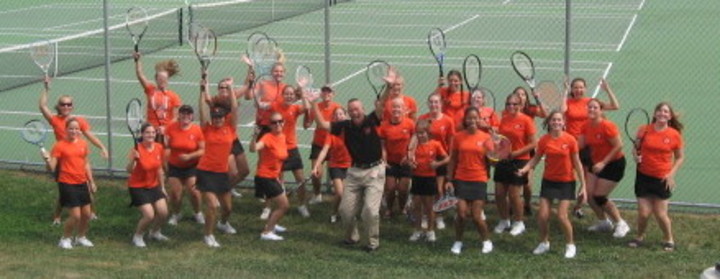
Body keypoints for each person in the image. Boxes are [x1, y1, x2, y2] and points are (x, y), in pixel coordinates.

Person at [313, 96, 386, 252]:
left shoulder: (372, 120)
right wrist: (313, 103)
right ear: (348, 112)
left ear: (363, 110)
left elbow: (381, 106)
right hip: (354, 171)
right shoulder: (344, 126)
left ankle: (373, 243)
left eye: (357, 109)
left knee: (370, 211)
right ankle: (352, 237)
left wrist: (388, 86)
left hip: (374, 171)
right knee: (345, 210)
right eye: (351, 109)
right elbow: (321, 124)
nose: (354, 112)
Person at [517, 111, 587, 259]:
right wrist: (524, 169)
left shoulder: (570, 140)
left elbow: (577, 163)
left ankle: (570, 245)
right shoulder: (544, 140)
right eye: (553, 120)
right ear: (549, 123)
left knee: (562, 216)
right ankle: (544, 243)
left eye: (559, 120)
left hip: (566, 182)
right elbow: (535, 159)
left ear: (563, 123)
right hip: (548, 181)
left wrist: (584, 185)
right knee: (542, 216)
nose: (556, 122)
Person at [39, 77, 107, 224]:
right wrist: (46, 88)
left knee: (87, 187)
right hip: (62, 160)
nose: (66, 107)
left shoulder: (79, 122)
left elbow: (90, 136)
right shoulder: (55, 120)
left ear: (72, 106)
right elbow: (42, 106)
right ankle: (57, 216)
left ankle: (91, 212)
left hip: (77, 158)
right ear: (59, 106)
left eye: (69, 104)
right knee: (63, 193)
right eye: (63, 104)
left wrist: (102, 147)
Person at [627, 102, 684, 252]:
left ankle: (669, 238)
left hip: (662, 178)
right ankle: (639, 236)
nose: (662, 114)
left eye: (666, 112)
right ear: (654, 114)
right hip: (643, 176)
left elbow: (679, 157)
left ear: (670, 116)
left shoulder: (674, 135)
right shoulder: (644, 130)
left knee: (660, 214)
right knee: (644, 213)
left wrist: (671, 174)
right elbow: (635, 148)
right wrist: (635, 157)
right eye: (659, 111)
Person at [560, 78, 619, 220]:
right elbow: (562, 111)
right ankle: (565, 206)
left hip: (587, 148)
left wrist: (607, 89)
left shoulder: (590, 103)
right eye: (575, 87)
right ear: (572, 89)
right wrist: (565, 92)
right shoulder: (568, 102)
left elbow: (615, 106)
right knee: (567, 176)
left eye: (581, 87)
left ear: (585, 88)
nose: (578, 90)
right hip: (571, 145)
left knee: (585, 181)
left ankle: (578, 207)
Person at [195, 73, 239, 248]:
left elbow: (235, 108)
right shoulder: (206, 129)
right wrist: (201, 91)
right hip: (206, 172)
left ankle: (222, 223)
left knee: (227, 208)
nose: (218, 119)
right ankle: (208, 235)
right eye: (215, 117)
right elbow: (201, 111)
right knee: (213, 205)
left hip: (222, 173)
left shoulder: (230, 128)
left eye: (220, 117)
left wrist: (231, 88)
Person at [41, 118, 97, 249]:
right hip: (67, 183)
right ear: (66, 130)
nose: (74, 131)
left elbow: (86, 163)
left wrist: (91, 181)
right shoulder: (59, 145)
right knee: (76, 216)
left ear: (80, 130)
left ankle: (81, 237)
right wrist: (47, 160)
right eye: (71, 128)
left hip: (82, 182)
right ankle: (65, 239)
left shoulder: (83, 144)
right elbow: (52, 168)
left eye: (76, 128)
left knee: (87, 214)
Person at [578, 99, 630, 237]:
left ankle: (620, 223)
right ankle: (604, 222)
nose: (592, 110)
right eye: (589, 107)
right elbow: (580, 146)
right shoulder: (585, 126)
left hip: (613, 164)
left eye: (595, 107)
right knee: (589, 196)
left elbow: (618, 145)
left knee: (599, 196)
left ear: (601, 110)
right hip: (595, 164)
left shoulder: (608, 126)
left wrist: (603, 163)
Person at [446, 107, 493, 255]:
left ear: (479, 120)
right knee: (461, 214)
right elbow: (452, 159)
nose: (472, 121)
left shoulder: (486, 138)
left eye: (475, 118)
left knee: (476, 215)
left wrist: (497, 153)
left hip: (479, 179)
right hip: (461, 179)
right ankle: (458, 241)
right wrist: (449, 179)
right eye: (469, 118)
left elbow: (492, 161)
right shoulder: (458, 137)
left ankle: (486, 241)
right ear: (465, 120)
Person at [493, 93, 537, 237]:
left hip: (520, 160)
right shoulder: (504, 119)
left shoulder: (526, 120)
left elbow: (533, 143)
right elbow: (501, 140)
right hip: (504, 160)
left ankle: (519, 222)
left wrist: (516, 153)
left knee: (514, 195)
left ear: (521, 105)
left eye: (514, 104)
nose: (511, 106)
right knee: (499, 193)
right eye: (508, 104)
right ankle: (504, 220)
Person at [126, 124, 170, 248]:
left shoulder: (159, 147)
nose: (151, 135)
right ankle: (138, 236)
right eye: (147, 133)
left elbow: (159, 169)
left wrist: (162, 188)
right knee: (149, 215)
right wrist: (133, 160)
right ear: (142, 134)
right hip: (137, 186)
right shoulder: (136, 149)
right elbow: (129, 170)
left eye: (153, 133)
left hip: (154, 185)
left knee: (163, 212)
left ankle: (155, 232)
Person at [271, 86, 311, 217]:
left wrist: (303, 95)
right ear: (282, 95)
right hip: (278, 148)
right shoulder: (275, 106)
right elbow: (262, 105)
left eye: (291, 94)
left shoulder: (295, 108)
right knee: (279, 180)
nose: (289, 96)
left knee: (301, 179)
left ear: (294, 96)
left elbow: (306, 108)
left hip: (292, 148)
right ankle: (281, 205)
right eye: (286, 94)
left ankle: (302, 205)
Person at [416, 93, 455, 229]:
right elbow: (416, 139)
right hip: (425, 159)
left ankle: (438, 216)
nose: (434, 105)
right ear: (428, 104)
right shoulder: (422, 118)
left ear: (441, 104)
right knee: (424, 192)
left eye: (436, 102)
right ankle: (426, 216)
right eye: (431, 102)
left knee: (438, 190)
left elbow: (451, 142)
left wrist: (448, 160)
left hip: (440, 159)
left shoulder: (448, 121)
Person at [250, 112, 290, 241]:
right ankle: (267, 232)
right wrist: (254, 137)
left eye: (280, 121)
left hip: (274, 176)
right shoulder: (267, 137)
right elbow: (254, 148)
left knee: (279, 204)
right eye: (274, 122)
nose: (278, 124)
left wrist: (278, 176)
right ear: (270, 125)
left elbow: (279, 159)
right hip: (265, 176)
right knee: (284, 205)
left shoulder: (283, 137)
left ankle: (272, 224)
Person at [408, 120, 448, 242]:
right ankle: (418, 230)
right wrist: (411, 163)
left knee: (429, 207)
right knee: (417, 206)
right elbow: (407, 159)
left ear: (428, 133)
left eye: (422, 133)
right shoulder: (413, 146)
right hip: (417, 178)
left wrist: (437, 164)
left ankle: (430, 231)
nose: (420, 135)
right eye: (418, 133)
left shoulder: (435, 144)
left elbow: (447, 158)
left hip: (429, 179)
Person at [165, 105, 205, 226]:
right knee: (176, 194)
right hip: (174, 166)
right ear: (179, 115)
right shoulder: (171, 128)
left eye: (188, 114)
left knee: (194, 192)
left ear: (192, 116)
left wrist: (190, 156)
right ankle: (176, 214)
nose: (185, 116)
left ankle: (198, 213)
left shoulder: (197, 130)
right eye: (183, 113)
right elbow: (166, 145)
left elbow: (202, 150)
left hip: (191, 167)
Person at [311, 107, 352, 224]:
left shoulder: (351, 129)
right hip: (336, 165)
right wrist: (316, 165)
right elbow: (324, 150)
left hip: (350, 165)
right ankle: (334, 213)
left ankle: (346, 213)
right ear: (333, 118)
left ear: (346, 116)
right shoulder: (331, 134)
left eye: (341, 114)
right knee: (339, 193)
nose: (339, 116)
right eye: (336, 114)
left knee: (347, 194)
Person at [377, 98, 415, 218]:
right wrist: (384, 160)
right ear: (390, 109)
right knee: (390, 189)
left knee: (403, 190)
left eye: (399, 107)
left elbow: (415, 139)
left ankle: (403, 208)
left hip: (405, 162)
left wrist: (409, 154)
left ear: (404, 109)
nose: (396, 109)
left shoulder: (410, 123)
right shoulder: (384, 126)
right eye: (394, 107)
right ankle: (389, 209)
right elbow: (382, 145)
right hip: (391, 163)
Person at [133, 52, 183, 140]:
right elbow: (140, 75)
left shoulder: (174, 96)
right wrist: (137, 61)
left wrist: (166, 128)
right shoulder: (150, 90)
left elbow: (176, 117)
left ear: (167, 80)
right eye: (160, 79)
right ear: (156, 79)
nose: (162, 81)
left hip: (165, 132)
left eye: (164, 79)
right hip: (150, 131)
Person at [306, 86, 342, 205]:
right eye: (324, 91)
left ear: (333, 94)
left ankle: (339, 196)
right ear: (320, 94)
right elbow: (307, 124)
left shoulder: (338, 108)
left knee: (337, 175)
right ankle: (317, 195)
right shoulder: (316, 107)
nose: (327, 93)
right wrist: (307, 109)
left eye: (329, 91)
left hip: (333, 145)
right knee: (316, 174)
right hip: (318, 144)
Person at [514, 86, 547, 215]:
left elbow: (545, 114)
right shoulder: (509, 110)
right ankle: (515, 204)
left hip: (529, 150)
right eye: (517, 94)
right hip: (514, 150)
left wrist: (538, 98)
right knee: (514, 182)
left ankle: (527, 204)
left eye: (523, 94)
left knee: (526, 183)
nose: (520, 96)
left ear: (526, 98)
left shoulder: (531, 109)